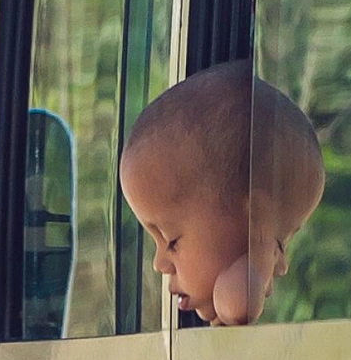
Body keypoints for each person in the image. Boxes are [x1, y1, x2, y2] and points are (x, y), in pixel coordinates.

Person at [119, 59, 325, 325]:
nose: (159, 264)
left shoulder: (246, 284)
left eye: (171, 241)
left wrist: (259, 252)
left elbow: (238, 304)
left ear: (254, 221)